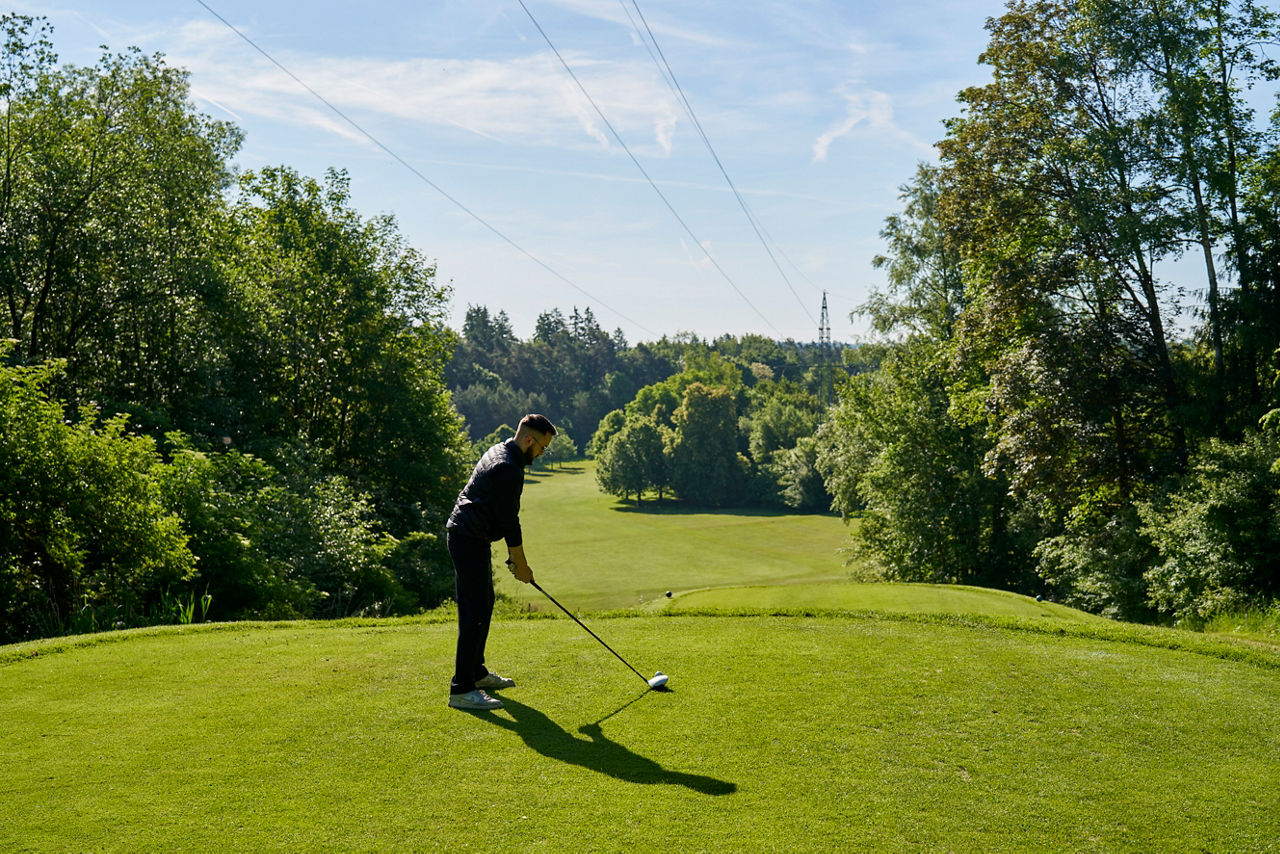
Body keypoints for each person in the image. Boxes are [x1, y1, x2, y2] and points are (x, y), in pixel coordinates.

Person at [445, 414, 556, 710]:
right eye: (543, 447)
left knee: (484, 603)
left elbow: (499, 513)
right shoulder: (508, 468)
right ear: (529, 440)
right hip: (467, 538)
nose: (543, 454)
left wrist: (515, 560)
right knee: (474, 611)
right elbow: (510, 523)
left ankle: (476, 673)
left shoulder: (502, 451)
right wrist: (521, 565)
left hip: (471, 537)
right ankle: (461, 689)